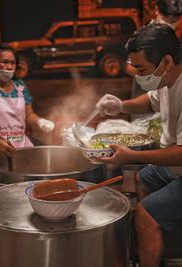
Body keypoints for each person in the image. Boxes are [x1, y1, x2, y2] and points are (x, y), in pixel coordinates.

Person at [96, 23, 182, 267]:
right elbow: (150, 101)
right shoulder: (167, 79)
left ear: (166, 61)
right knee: (143, 179)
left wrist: (131, 155)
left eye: (142, 69)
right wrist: (120, 106)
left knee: (144, 215)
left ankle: (151, 233)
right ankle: (157, 248)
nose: (138, 76)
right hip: (174, 168)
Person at [0, 43, 54, 160]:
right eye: (4, 62)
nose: (9, 67)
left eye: (13, 62)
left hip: (23, 147)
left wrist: (39, 121)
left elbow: (29, 114)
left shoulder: (20, 86)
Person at [126, 0, 182, 121]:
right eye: (166, 18)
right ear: (157, 11)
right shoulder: (144, 35)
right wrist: (149, 77)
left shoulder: (175, 36)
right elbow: (129, 66)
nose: (170, 23)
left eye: (173, 20)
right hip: (143, 98)